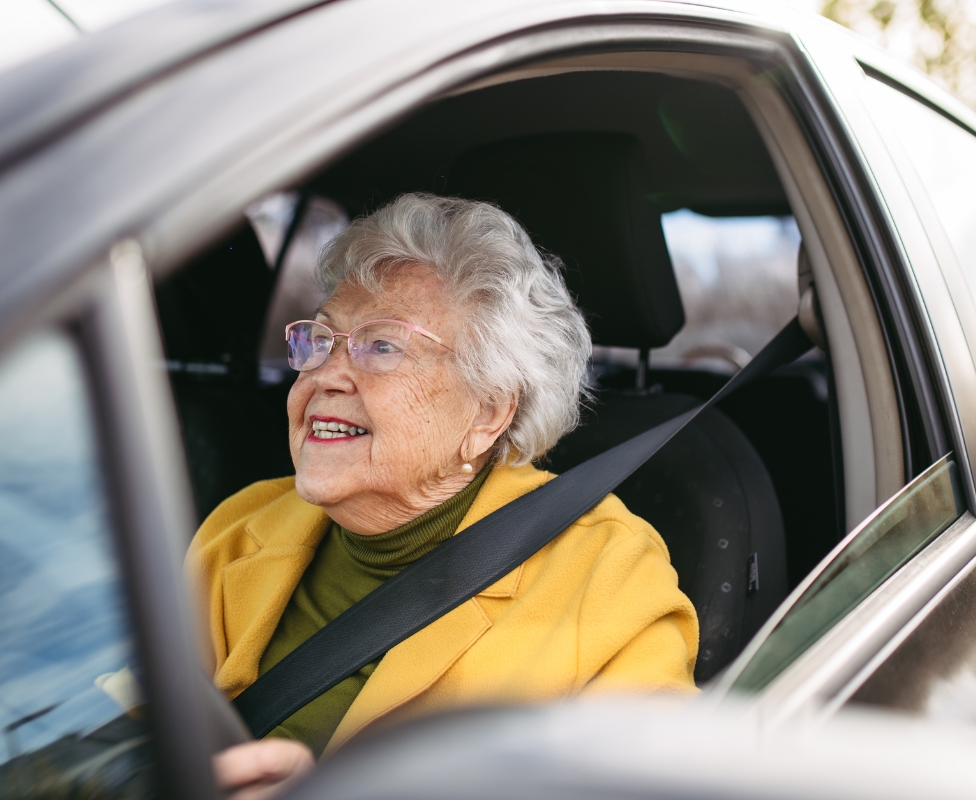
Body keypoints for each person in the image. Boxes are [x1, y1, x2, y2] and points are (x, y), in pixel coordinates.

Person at [196, 193, 698, 799]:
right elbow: (125, 737)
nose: (326, 373)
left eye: (382, 346)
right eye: (322, 339)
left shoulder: (610, 576)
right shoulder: (241, 527)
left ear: (488, 411)